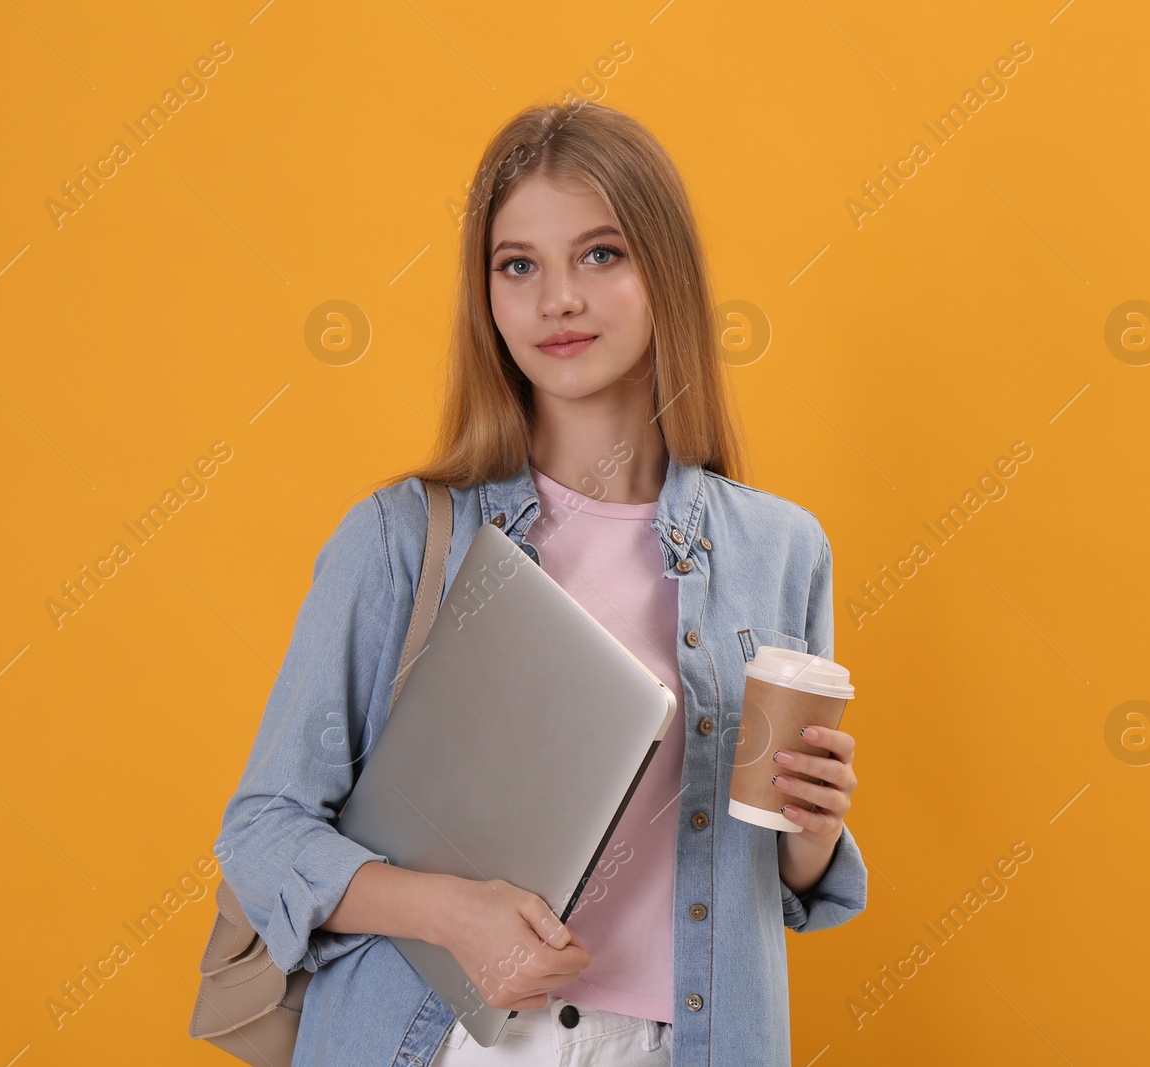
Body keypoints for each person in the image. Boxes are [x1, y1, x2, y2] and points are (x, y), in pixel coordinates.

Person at [215, 100, 868, 1067]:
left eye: (600, 254)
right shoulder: (401, 537)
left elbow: (770, 881)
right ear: (487, 298)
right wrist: (454, 914)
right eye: (518, 265)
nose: (558, 298)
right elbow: (262, 833)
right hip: (447, 1043)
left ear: (666, 275)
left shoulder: (781, 549)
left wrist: (813, 828)